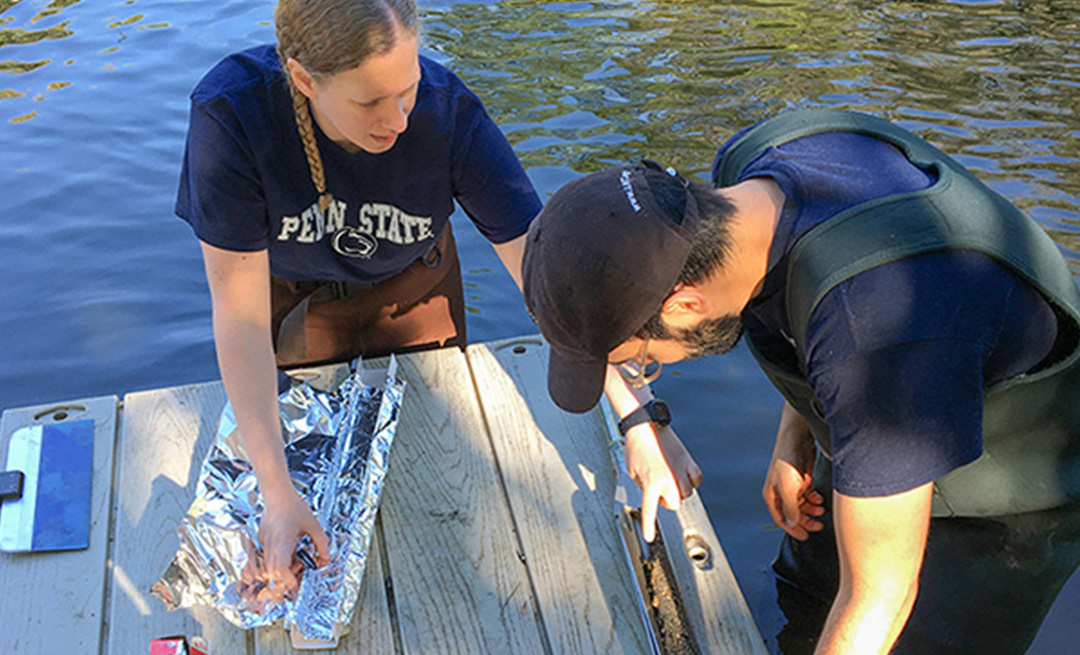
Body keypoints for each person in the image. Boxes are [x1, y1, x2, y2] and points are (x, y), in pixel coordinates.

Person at [521, 109, 1080, 655]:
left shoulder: (876, 331)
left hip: (1009, 489)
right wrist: (799, 434)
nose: (655, 368)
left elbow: (878, 595)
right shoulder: (749, 175)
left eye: (645, 361)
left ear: (685, 303)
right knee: (806, 593)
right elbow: (816, 304)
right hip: (893, 397)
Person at [175, 0, 541, 600]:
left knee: (435, 486)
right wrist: (274, 487)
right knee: (301, 498)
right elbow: (237, 317)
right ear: (303, 80)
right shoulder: (231, 115)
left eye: (408, 89)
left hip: (414, 298)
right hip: (295, 308)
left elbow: (544, 271)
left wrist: (634, 411)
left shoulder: (448, 114)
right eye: (369, 102)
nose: (397, 120)